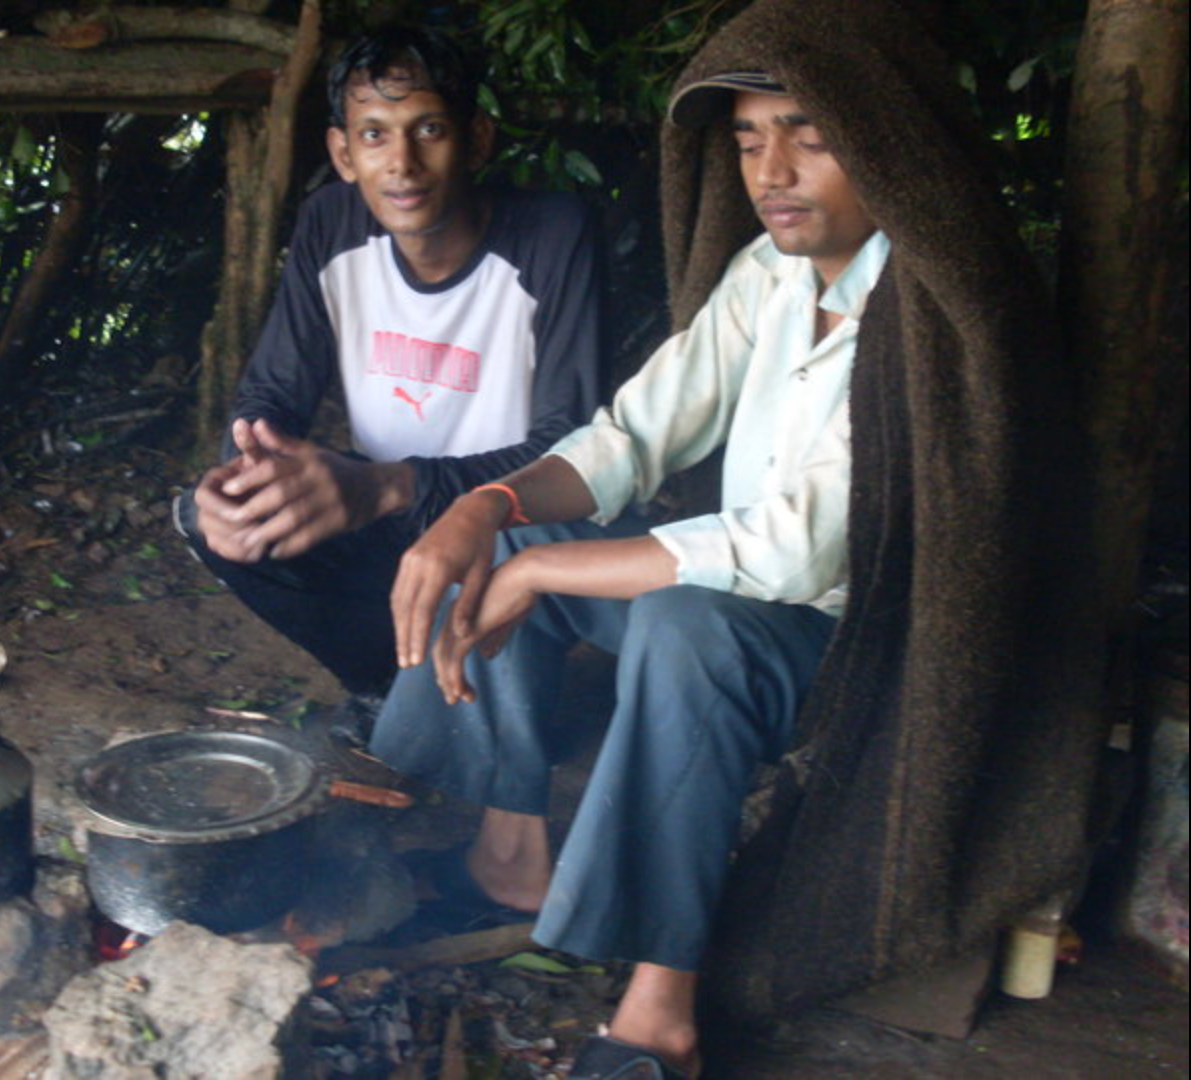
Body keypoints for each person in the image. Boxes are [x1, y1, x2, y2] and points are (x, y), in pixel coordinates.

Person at [371, 0, 1101, 1075]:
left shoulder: (940, 306)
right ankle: (509, 842)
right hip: (754, 601)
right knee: (509, 548)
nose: (773, 170)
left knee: (681, 630)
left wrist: (543, 565)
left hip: (874, 651)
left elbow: (804, 549)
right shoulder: (770, 275)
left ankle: (662, 1008)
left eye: (810, 135)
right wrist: (490, 511)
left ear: (888, 140)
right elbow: (633, 437)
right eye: (752, 139)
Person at [176, 24, 601, 720]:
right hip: (380, 515)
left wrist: (390, 487)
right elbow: (272, 392)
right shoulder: (331, 224)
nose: (401, 162)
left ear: (477, 139)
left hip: (502, 524)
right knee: (212, 517)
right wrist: (246, 468)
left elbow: (572, 447)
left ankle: (452, 693)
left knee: (521, 541)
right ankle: (383, 684)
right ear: (343, 152)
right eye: (374, 135)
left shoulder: (553, 234)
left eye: (428, 129)